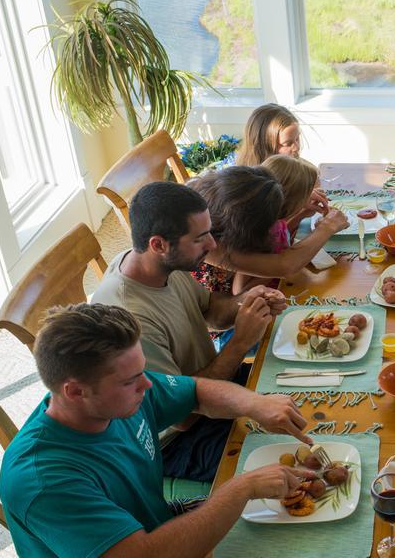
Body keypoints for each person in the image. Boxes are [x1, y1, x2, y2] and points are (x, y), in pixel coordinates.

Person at [0, 303, 314, 558]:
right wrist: (240, 489)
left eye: (141, 371)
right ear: (75, 392)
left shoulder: (112, 396)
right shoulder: (44, 482)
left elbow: (196, 391)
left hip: (156, 524)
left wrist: (255, 404)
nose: (147, 384)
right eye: (130, 380)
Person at [91, 181, 288, 481]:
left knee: (303, 395)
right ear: (158, 244)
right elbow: (182, 416)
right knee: (285, 461)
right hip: (175, 442)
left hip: (210, 390)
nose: (211, 245)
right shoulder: (130, 318)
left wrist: (246, 301)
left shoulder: (163, 266)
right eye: (200, 238)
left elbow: (213, 313)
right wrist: (240, 344)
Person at [188, 163, 348, 297]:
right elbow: (284, 265)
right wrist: (327, 227)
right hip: (223, 318)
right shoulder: (204, 243)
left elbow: (276, 246)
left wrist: (297, 208)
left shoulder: (227, 209)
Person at [235, 102, 330, 220]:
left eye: (297, 139)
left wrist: (303, 208)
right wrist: (299, 205)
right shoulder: (250, 189)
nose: (296, 147)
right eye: (288, 143)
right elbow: (274, 234)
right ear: (264, 146)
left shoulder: (302, 168)